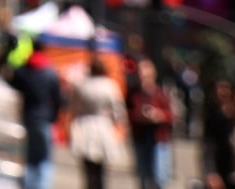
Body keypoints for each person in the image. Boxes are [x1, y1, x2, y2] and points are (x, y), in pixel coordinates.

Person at [8, 36, 66, 189]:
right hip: (44, 119)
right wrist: (54, 117)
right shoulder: (50, 72)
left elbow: (13, 92)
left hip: (26, 118)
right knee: (44, 159)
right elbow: (59, 99)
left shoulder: (23, 71)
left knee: (28, 157)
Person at [70, 52, 128, 189]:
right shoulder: (109, 85)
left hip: (85, 126)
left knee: (88, 169)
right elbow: (118, 111)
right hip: (103, 126)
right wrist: (120, 127)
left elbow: (74, 108)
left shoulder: (81, 85)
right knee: (101, 169)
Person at [129, 56, 175, 189]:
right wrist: (140, 116)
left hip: (158, 139)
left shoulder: (161, 93)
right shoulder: (134, 94)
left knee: (159, 177)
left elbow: (171, 115)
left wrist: (159, 115)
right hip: (141, 138)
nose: (142, 75)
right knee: (143, 176)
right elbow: (128, 114)